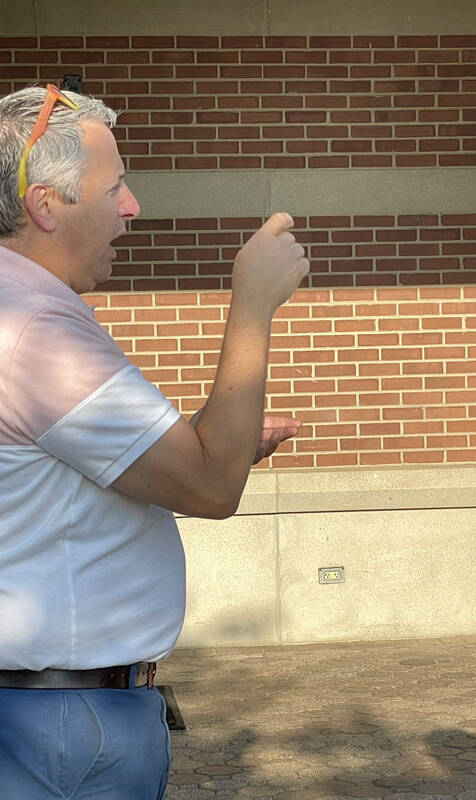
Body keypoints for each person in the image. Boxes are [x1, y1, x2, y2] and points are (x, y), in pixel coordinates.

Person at [0, 84, 309, 798]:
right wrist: (253, 302)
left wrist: (214, 444)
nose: (132, 205)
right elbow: (209, 486)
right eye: (115, 186)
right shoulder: (34, 330)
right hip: (63, 730)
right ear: (47, 205)